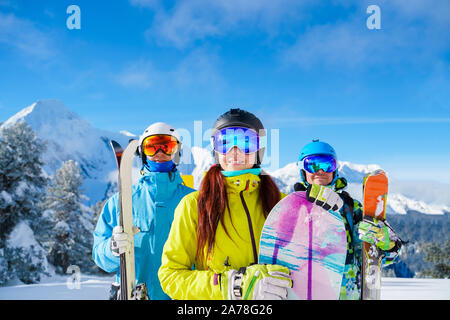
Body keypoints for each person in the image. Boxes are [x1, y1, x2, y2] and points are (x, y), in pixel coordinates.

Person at [158, 108, 292, 300]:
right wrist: (230, 286)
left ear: (259, 151)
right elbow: (171, 276)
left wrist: (321, 206)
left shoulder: (283, 204)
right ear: (215, 150)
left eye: (246, 142)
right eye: (225, 143)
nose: (234, 151)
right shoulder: (194, 205)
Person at [92, 122, 195, 299]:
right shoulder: (120, 202)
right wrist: (112, 249)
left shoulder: (196, 201)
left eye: (167, 146)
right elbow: (100, 257)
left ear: (177, 153)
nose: (159, 153)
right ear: (142, 153)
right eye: (151, 147)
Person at [294, 139, 403, 300]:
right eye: (313, 165)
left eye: (327, 165)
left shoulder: (352, 208)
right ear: (303, 171)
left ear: (335, 170)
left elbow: (383, 257)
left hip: (348, 293)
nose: (320, 171)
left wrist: (387, 244)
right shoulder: (291, 208)